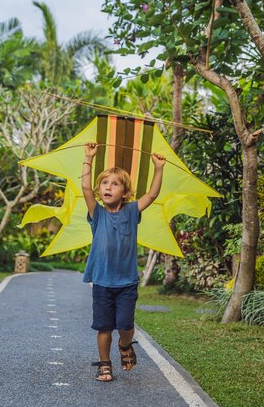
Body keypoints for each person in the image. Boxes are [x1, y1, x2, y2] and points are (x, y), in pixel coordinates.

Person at [81, 141, 166, 382]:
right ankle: (105, 364)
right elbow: (86, 189)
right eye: (105, 183)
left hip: (126, 282)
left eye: (115, 184)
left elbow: (151, 194)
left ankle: (125, 345)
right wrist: (88, 157)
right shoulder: (96, 213)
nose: (108, 187)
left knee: (125, 325)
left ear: (125, 193)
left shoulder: (131, 211)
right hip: (102, 282)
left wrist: (158, 168)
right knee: (103, 326)